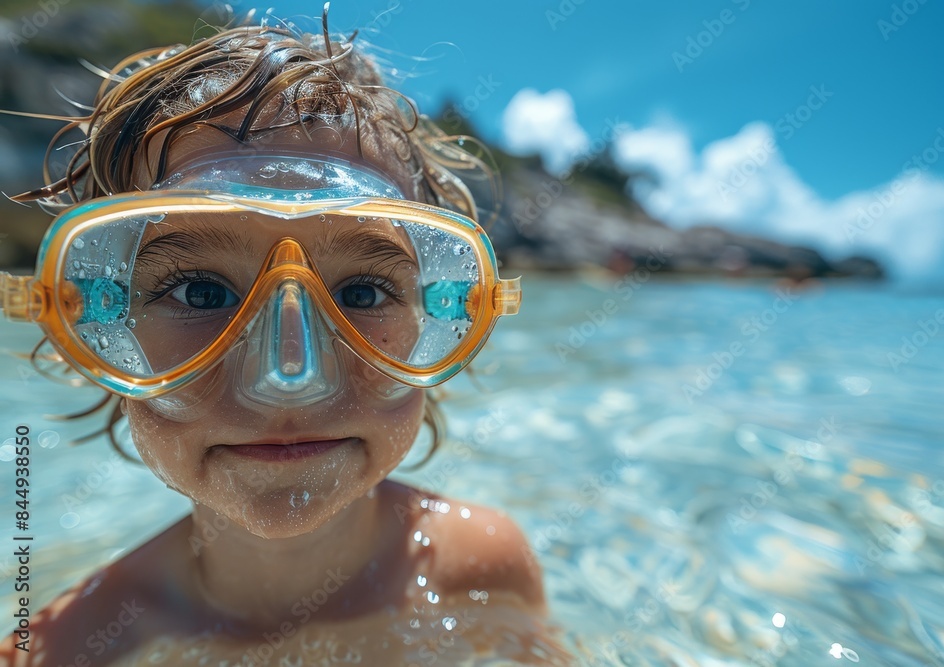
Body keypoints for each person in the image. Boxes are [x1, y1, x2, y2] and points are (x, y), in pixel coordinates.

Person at [0, 12, 567, 665]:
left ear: (442, 318)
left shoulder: (484, 567)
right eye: (201, 292)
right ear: (99, 329)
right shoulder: (69, 648)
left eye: (361, 293)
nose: (289, 375)